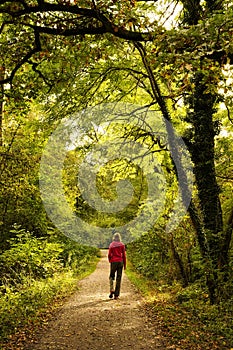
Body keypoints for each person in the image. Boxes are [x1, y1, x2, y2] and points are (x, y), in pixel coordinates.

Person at [108, 232, 126, 300]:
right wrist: (124, 265)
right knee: (119, 278)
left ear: (114, 238)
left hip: (114, 262)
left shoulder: (112, 244)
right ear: (119, 238)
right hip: (120, 262)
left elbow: (109, 254)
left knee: (111, 276)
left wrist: (110, 260)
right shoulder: (122, 245)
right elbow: (124, 255)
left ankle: (111, 289)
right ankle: (116, 295)